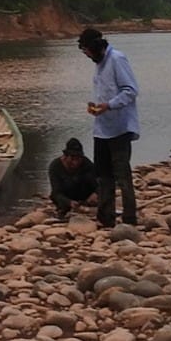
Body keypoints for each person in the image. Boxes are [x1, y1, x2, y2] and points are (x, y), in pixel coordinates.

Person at [78, 28, 140, 227]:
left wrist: (109, 105)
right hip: (101, 129)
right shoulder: (99, 63)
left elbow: (131, 90)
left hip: (120, 128)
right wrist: (97, 107)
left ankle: (130, 218)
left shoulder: (117, 59)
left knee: (122, 175)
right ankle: (106, 217)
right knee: (103, 176)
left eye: (87, 50)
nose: (86, 55)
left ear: (95, 47)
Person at [47, 138, 97, 219]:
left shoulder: (87, 163)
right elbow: (56, 192)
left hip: (84, 195)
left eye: (78, 159)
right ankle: (65, 209)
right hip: (67, 196)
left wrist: (96, 193)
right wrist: (69, 202)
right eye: (72, 158)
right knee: (55, 196)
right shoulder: (55, 166)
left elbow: (98, 182)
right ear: (65, 156)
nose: (75, 162)